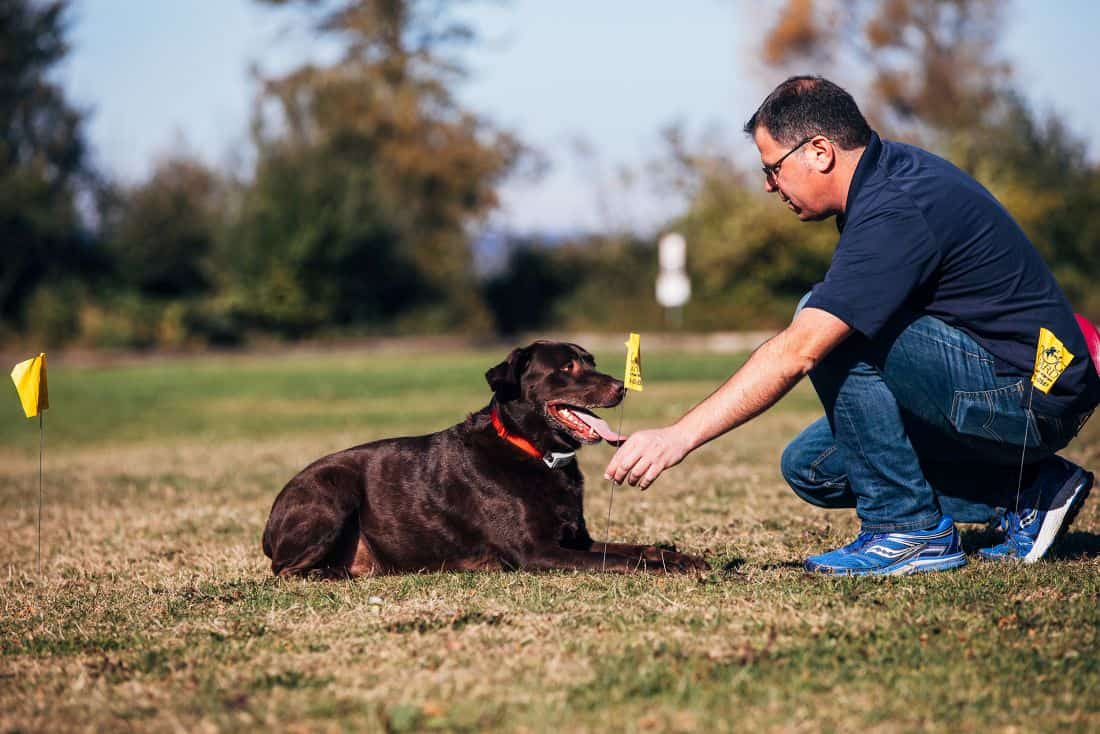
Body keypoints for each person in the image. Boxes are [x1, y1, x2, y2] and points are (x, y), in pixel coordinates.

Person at [604, 76, 1099, 575]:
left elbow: (801, 350)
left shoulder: (896, 206)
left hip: (1031, 397)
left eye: (773, 169)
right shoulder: (884, 179)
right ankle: (1030, 490)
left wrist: (677, 437)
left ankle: (907, 530)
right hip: (1005, 386)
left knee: (825, 322)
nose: (768, 185)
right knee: (814, 469)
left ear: (819, 151)